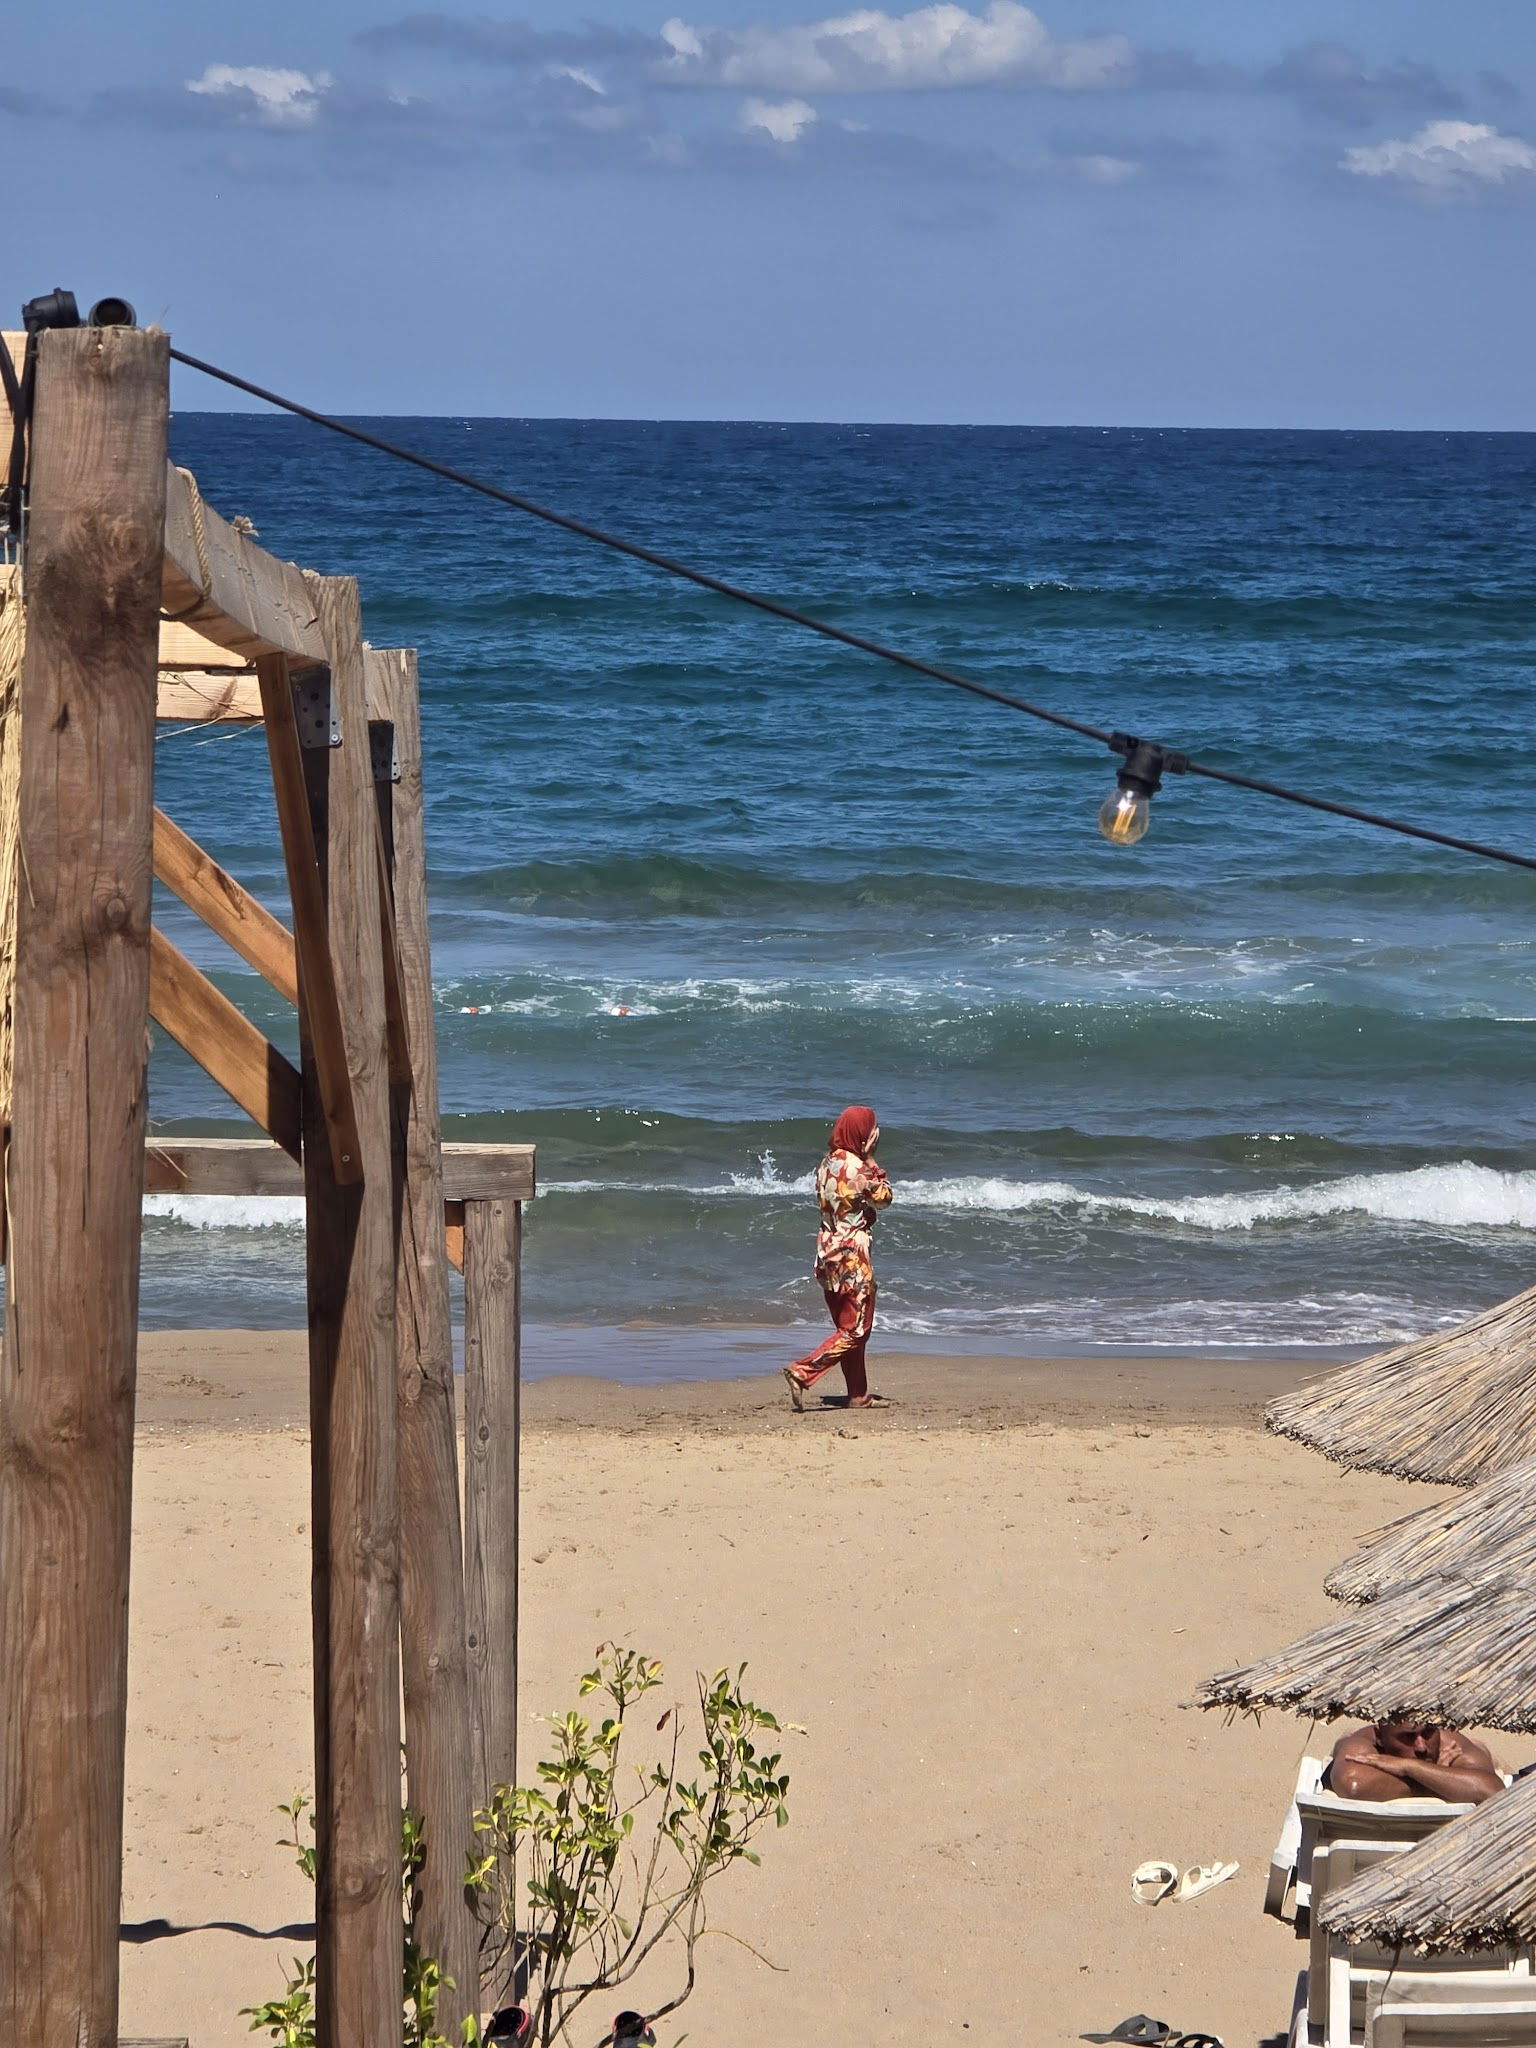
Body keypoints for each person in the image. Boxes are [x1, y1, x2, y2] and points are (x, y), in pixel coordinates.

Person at [783, 1104, 892, 1412]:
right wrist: (871, 1159)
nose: (875, 1133)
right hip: (853, 1257)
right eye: (871, 1128)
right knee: (857, 1330)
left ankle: (858, 1395)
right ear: (862, 1134)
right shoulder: (858, 1167)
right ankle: (802, 1371)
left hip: (827, 1253)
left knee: (848, 1328)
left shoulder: (826, 1163)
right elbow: (885, 1198)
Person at [1328, 1719, 1501, 1804]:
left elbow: (1494, 1792)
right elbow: (1354, 1785)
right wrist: (1437, 1778)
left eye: (1428, 1733)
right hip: (1349, 1739)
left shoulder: (1451, 1746)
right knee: (1344, 1738)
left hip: (1480, 1750)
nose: (1421, 1747)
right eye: (1408, 1737)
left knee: (1482, 1749)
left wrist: (1410, 1766)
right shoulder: (1364, 1744)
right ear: (1380, 1737)